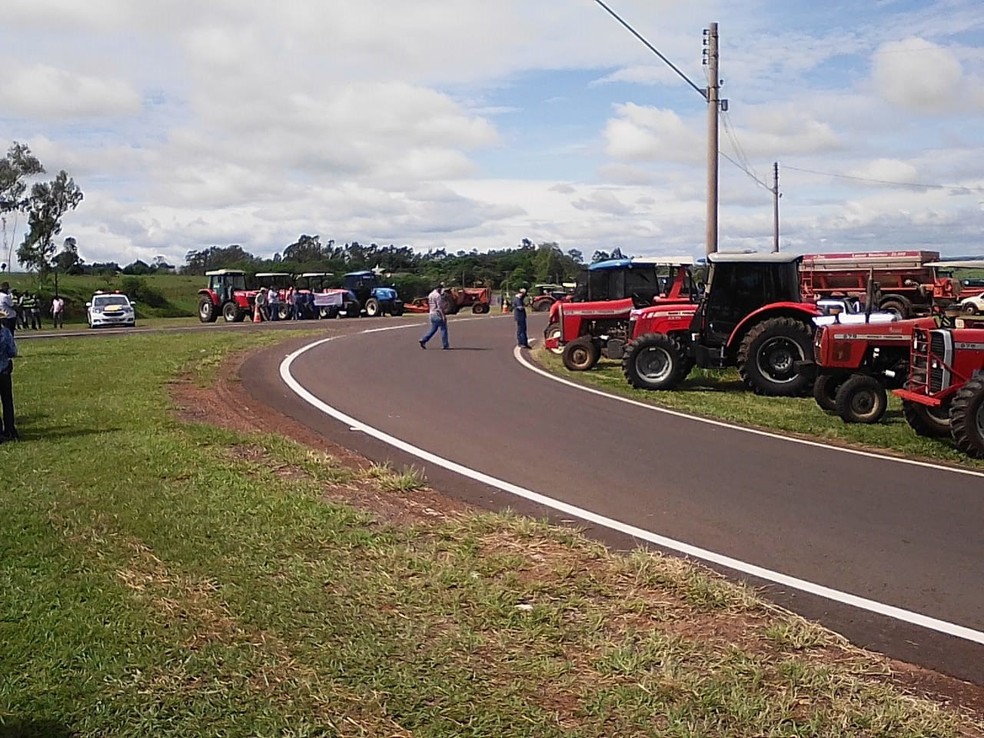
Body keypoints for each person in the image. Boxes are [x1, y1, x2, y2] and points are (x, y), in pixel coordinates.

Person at [0, 309, 17, 441]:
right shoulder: (5, 333)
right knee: (7, 402)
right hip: (4, 370)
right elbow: (13, 351)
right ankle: (10, 429)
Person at [419, 283, 449, 350]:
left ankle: (424, 339)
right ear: (439, 288)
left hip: (432, 313)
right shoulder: (438, 296)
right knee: (443, 329)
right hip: (437, 314)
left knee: (433, 329)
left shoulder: (431, 295)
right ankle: (445, 344)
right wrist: (443, 316)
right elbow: (439, 307)